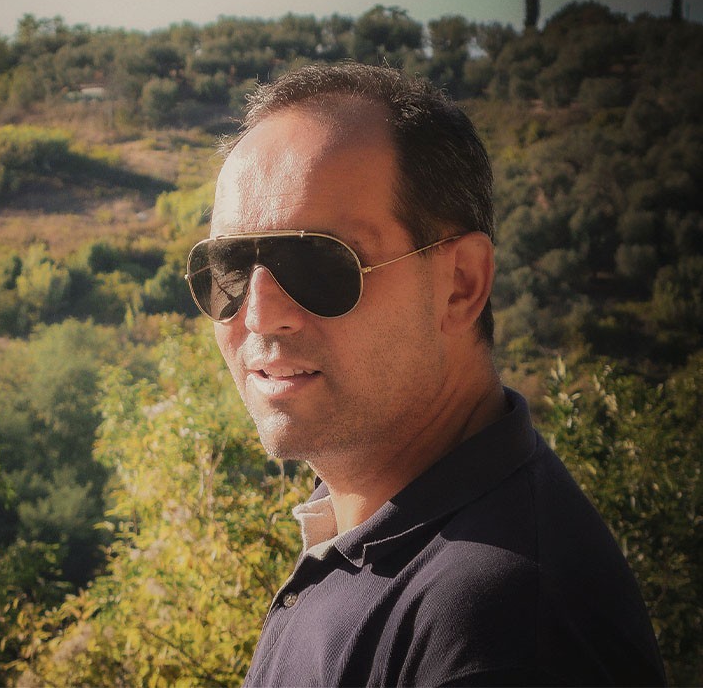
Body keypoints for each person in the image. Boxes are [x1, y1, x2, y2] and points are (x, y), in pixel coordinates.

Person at [185, 63, 666, 686]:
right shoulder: (378, 530)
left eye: (319, 263)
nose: (258, 313)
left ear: (461, 284)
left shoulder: (496, 627)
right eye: (226, 267)